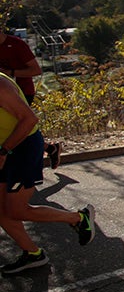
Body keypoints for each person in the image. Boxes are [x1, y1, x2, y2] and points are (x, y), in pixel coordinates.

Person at [0, 72, 95, 275]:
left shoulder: (0, 86)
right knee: (1, 210)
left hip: (21, 149)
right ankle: (33, 254)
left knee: (16, 210)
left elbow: (29, 119)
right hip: (6, 148)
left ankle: (78, 218)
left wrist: (4, 150)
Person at [0, 30, 61, 169]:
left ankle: (42, 152)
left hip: (22, 92)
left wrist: (11, 73)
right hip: (3, 94)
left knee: (21, 126)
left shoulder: (17, 44)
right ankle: (51, 149)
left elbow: (36, 70)